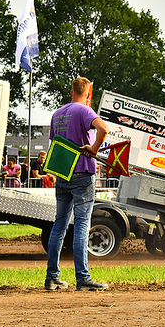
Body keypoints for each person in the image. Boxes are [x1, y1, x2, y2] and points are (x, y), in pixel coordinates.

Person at [45, 77, 109, 292]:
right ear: (87, 93)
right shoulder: (85, 111)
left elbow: (55, 144)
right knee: (82, 224)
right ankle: (83, 278)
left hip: (63, 176)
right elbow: (103, 129)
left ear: (71, 91)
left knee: (59, 225)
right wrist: (94, 148)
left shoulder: (57, 114)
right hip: (83, 174)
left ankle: (52, 277)